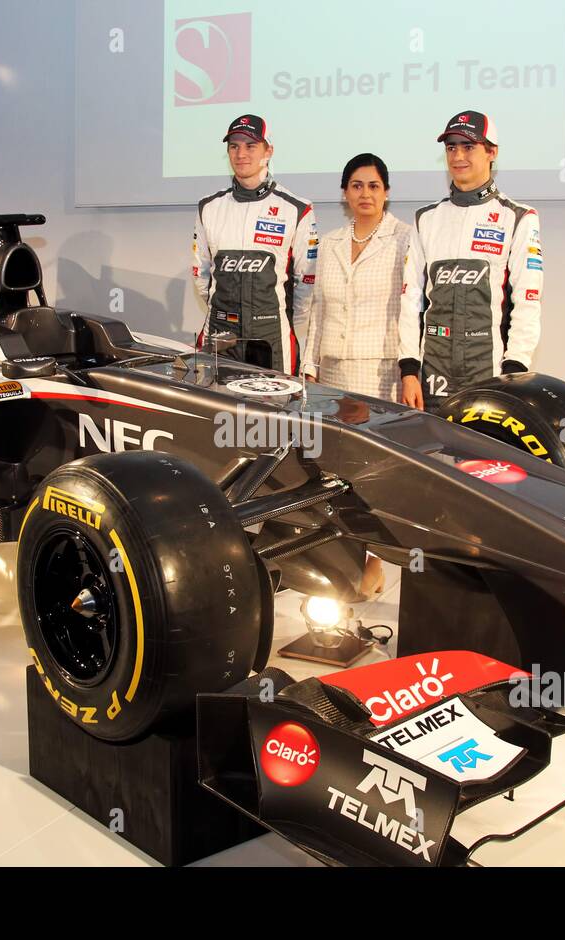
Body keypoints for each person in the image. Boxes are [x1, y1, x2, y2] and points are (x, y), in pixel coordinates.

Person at [302, 152, 413, 597]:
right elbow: (316, 308)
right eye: (356, 186)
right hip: (331, 370)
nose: (364, 194)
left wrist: (409, 369)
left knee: (371, 475)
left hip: (379, 371)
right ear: (345, 193)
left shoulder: (406, 238)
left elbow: (410, 309)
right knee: (332, 470)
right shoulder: (328, 242)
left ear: (386, 192)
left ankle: (372, 560)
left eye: (373, 186)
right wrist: (308, 366)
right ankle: (340, 558)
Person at [398, 110, 543, 412]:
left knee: (484, 459)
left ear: (492, 152)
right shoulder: (426, 218)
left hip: (490, 373)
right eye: (451, 147)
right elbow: (410, 300)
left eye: (468, 146)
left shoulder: (518, 218)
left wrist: (514, 372)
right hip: (431, 373)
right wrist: (409, 370)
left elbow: (527, 302)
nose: (458, 156)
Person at [192, 114, 319, 374]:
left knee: (274, 412)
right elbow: (201, 276)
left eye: (250, 146)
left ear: (268, 151)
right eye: (234, 146)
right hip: (219, 332)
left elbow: (306, 282)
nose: (241, 154)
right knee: (213, 411)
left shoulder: (296, 209)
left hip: (270, 336)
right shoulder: (208, 207)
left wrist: (278, 319)